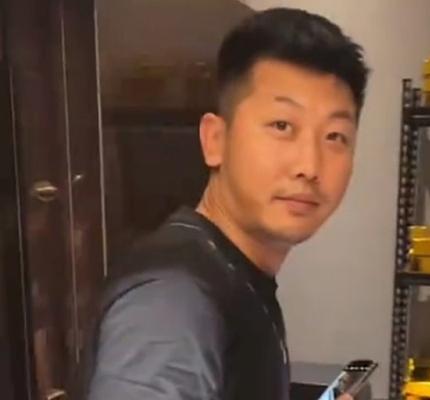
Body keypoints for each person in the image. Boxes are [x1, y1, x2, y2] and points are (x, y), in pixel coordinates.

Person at [82, 7, 370, 400]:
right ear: (215, 140)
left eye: (335, 136)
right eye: (282, 126)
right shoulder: (174, 302)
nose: (309, 166)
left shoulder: (234, 274)